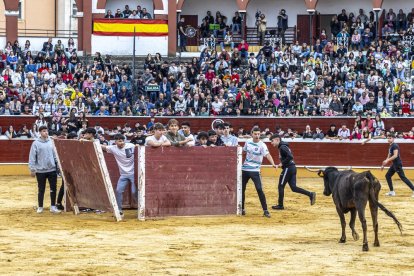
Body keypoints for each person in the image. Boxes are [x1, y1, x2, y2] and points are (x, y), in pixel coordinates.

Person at [270, 134, 316, 210]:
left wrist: (282, 163)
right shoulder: (284, 146)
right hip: (292, 168)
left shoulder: (282, 147)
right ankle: (310, 194)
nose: (271, 143)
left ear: (277, 139)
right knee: (293, 188)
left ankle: (280, 205)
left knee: (281, 186)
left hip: (288, 168)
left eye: (272, 141)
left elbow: (290, 156)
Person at [241, 127, 278, 218]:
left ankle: (265, 210)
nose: (257, 136)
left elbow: (267, 155)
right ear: (252, 134)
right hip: (245, 169)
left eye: (258, 134)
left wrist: (273, 164)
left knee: (259, 189)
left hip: (255, 170)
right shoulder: (248, 142)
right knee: (241, 190)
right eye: (255, 134)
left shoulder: (262, 145)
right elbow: (242, 152)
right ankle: (241, 209)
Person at [101, 134, 138, 215]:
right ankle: (119, 210)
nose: (121, 143)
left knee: (134, 192)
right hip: (123, 175)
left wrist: (138, 145)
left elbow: (140, 149)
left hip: (133, 174)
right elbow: (101, 146)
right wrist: (89, 141)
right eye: (119, 141)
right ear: (115, 142)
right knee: (118, 191)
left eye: (122, 141)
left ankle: (141, 207)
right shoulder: (113, 148)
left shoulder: (131, 145)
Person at [28, 126, 61, 214]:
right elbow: (32, 157)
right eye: (44, 131)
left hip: (52, 169)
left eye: (46, 131)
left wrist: (58, 165)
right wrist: (32, 169)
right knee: (41, 189)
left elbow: (55, 154)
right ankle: (40, 206)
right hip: (40, 170)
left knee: (53, 188)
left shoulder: (51, 142)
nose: (46, 133)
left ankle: (53, 207)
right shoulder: (35, 143)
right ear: (40, 133)